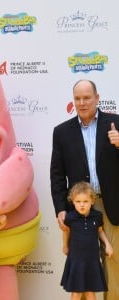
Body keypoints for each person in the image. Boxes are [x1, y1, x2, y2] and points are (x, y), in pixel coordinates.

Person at [50, 79, 119, 300]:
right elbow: (57, 176)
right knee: (83, 264)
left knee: (113, 260)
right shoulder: (61, 132)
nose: (82, 102)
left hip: (112, 205)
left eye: (87, 97)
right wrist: (61, 209)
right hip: (79, 209)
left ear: (97, 99)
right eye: (78, 98)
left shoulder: (116, 123)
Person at [61, 181, 113, 300]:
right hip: (76, 259)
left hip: (92, 259)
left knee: (90, 292)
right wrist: (65, 246)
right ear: (73, 201)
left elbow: (100, 231)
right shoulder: (70, 217)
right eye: (78, 202)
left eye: (85, 201)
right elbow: (66, 231)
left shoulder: (97, 216)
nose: (82, 205)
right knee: (76, 293)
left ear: (92, 201)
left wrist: (108, 245)